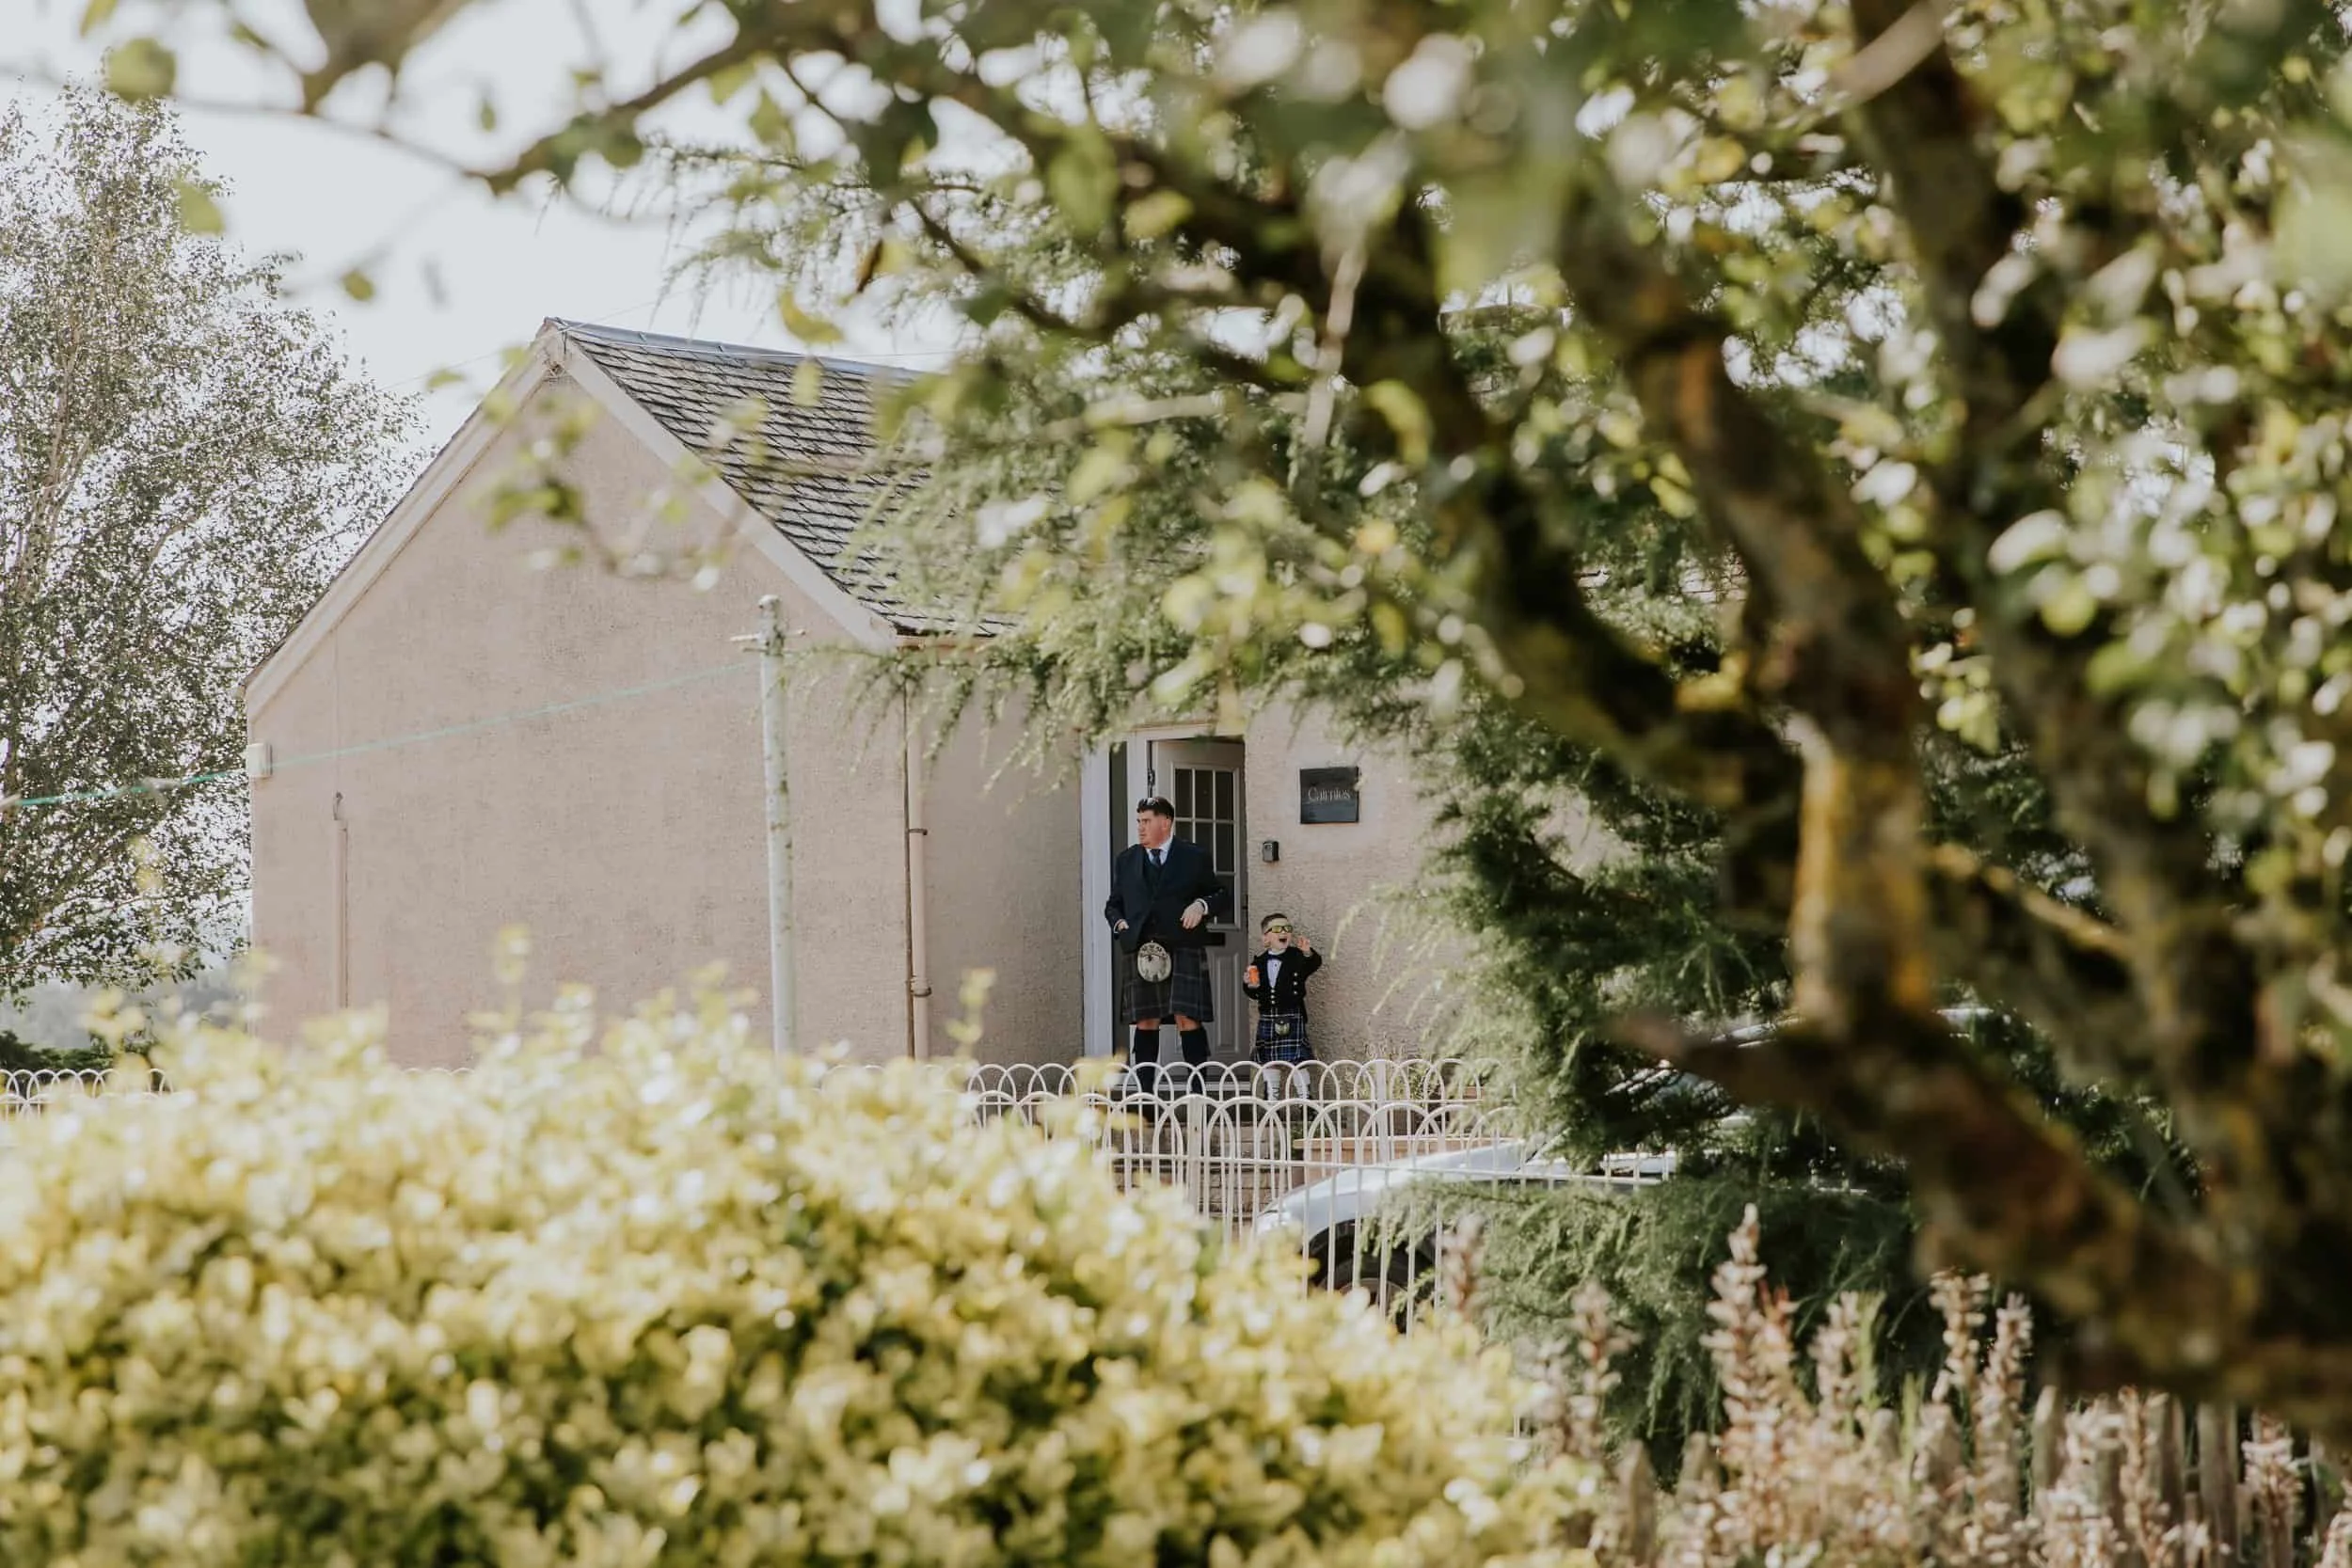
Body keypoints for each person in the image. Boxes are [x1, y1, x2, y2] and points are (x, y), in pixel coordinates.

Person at [1104, 796, 1229, 1094]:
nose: (1140, 828)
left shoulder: (1193, 856)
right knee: (1146, 1020)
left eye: (1146, 821)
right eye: (1138, 821)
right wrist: (1120, 924)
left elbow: (1221, 894)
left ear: (1166, 822)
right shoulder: (1127, 859)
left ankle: (1197, 1093)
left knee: (1188, 1017)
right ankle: (1146, 1097)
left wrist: (1201, 905)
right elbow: (1114, 905)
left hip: (1183, 946)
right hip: (1143, 950)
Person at [1243, 912, 1322, 1099]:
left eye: (1287, 928)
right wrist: (1250, 985)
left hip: (1292, 1014)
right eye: (1277, 929)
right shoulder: (1259, 962)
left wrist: (1307, 952)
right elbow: (1253, 993)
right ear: (1266, 937)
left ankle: (1305, 1101)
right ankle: (1272, 1100)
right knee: (1269, 1060)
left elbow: (1314, 964)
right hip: (1268, 1016)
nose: (1284, 932)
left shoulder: (1296, 957)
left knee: (1298, 1060)